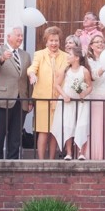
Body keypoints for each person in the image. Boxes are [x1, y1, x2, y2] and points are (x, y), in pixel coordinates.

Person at [0, 26, 32, 160]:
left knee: (15, 136)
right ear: (8, 37)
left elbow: (27, 78)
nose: (20, 38)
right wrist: (2, 58)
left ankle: (13, 163)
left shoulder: (25, 55)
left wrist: (29, 100)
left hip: (20, 100)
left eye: (21, 35)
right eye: (17, 35)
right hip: (2, 100)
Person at [28, 26, 68, 160]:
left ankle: (51, 161)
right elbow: (32, 68)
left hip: (59, 100)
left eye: (56, 40)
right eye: (51, 40)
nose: (54, 43)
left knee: (54, 132)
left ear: (59, 41)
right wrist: (32, 74)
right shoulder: (39, 54)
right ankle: (41, 161)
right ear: (46, 41)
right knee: (43, 131)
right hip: (43, 99)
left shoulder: (66, 56)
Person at [52, 45, 92, 160]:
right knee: (68, 125)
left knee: (82, 125)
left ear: (77, 58)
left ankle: (81, 152)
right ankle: (68, 152)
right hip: (68, 101)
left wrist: (84, 94)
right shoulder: (66, 70)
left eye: (70, 54)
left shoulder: (84, 71)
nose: (67, 56)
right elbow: (57, 84)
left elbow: (90, 86)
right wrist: (64, 95)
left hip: (81, 102)